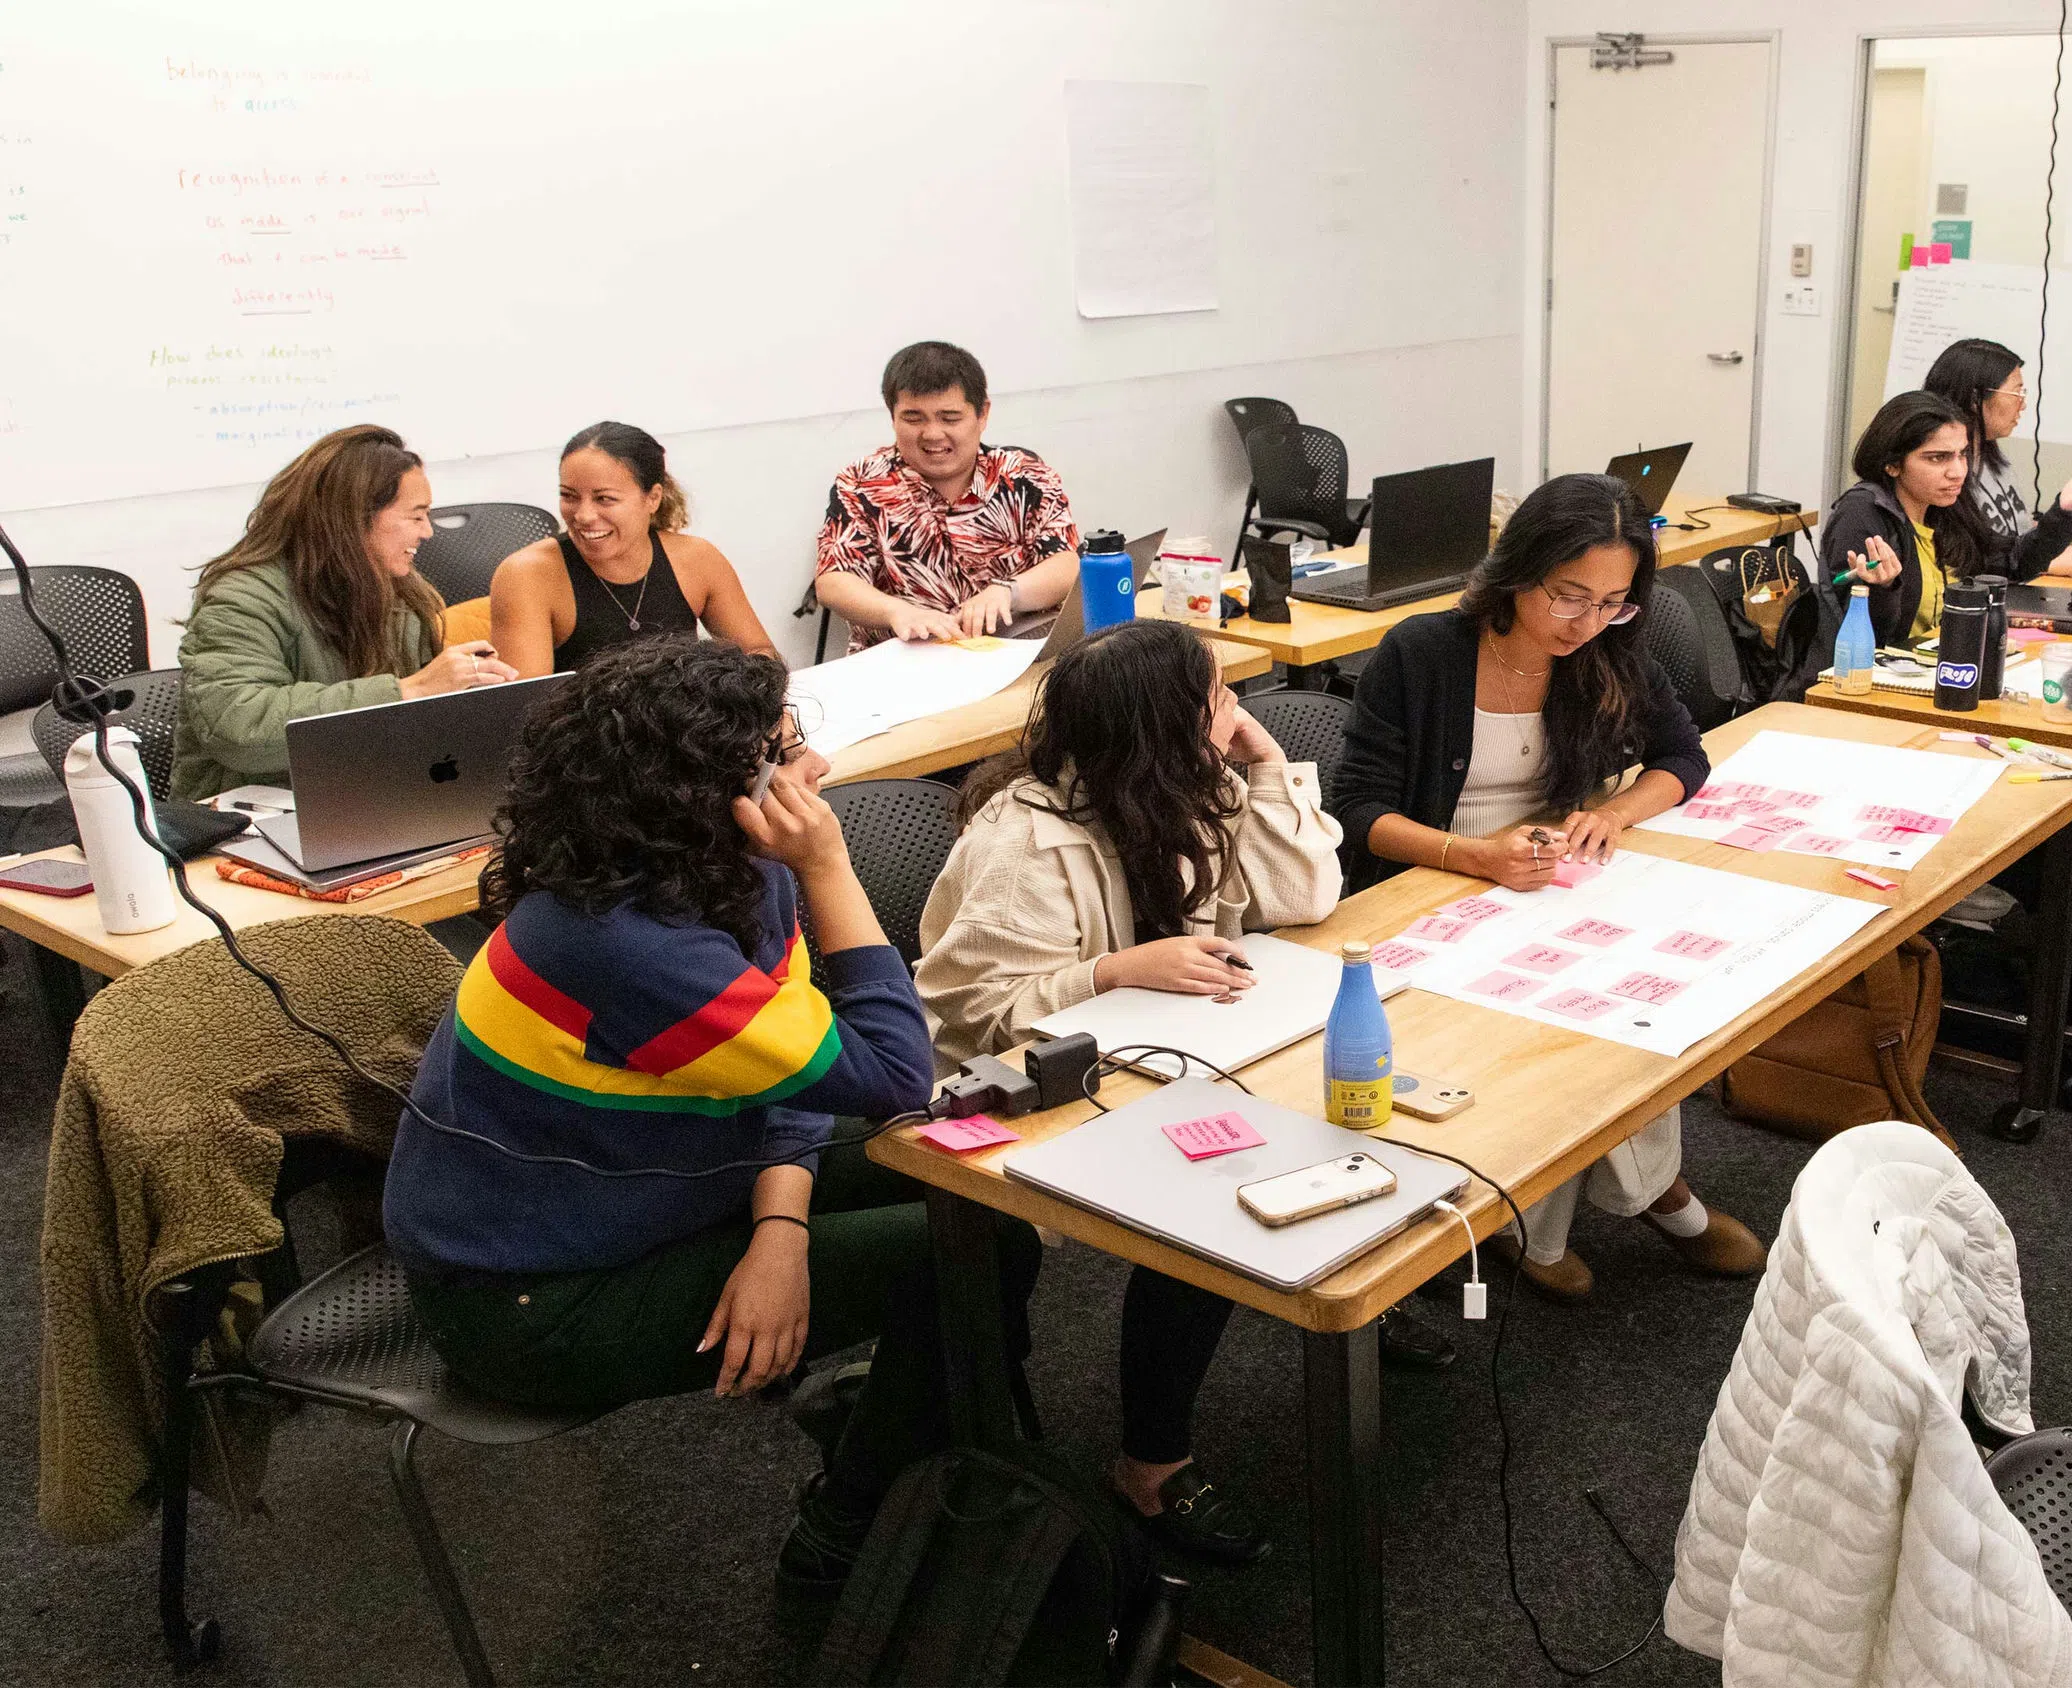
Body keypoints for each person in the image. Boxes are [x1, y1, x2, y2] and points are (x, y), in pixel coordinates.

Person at [380, 638, 942, 1598]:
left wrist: (781, 1232)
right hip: (527, 1295)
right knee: (956, 1256)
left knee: (972, 1196)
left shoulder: (725, 873)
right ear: (709, 791)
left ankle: (920, 1435)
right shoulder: (620, 945)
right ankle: (852, 1523)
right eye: (783, 746)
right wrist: (831, 868)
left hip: (657, 1189)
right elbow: (893, 1071)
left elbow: (790, 1068)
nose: (811, 765)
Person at [913, 618, 1442, 1559]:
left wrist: (1268, 759)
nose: (1234, 714)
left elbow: (1305, 897)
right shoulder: (1024, 842)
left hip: (1175, 1050)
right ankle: (1149, 1468)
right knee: (1217, 1201)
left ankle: (1367, 1297)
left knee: (1349, 1087)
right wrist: (1115, 972)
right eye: (1218, 702)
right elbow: (971, 1013)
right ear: (1161, 728)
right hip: (1035, 1095)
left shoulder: (1186, 790)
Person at [1329, 473, 1765, 1298]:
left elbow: (1685, 757)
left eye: (1613, 601)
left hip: (1547, 879)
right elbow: (1356, 809)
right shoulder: (1423, 652)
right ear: (1519, 570)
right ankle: (1610, 1205)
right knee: (1557, 1019)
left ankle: (1610, 1201)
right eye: (1570, 597)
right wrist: (1474, 857)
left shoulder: (1607, 650)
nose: (1588, 622)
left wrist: (1619, 813)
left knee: (1634, 1001)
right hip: (1430, 884)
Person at [174, 424, 517, 800]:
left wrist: (471, 703)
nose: (427, 533)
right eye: (416, 516)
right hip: (244, 825)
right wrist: (410, 690)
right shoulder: (240, 597)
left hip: (359, 803)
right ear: (354, 518)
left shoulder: (400, 591)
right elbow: (240, 728)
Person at [814, 341, 1079, 650]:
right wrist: (898, 611)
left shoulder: (1025, 476)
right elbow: (833, 582)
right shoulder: (861, 485)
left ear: (982, 415)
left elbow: (1066, 564)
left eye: (950, 418)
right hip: (911, 662)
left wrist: (1008, 592)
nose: (932, 434)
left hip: (1018, 653)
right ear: (892, 417)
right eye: (913, 418)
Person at [486, 421, 779, 676]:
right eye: (569, 496)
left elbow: (759, 653)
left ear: (652, 498)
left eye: (605, 499)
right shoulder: (526, 575)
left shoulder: (698, 559)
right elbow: (523, 707)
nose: (583, 515)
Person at [1918, 337, 2072, 581]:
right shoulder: (1943, 478)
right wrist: (2051, 563)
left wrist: (2063, 518)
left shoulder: (1992, 458)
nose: (2022, 404)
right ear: (1974, 399)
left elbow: (2016, 539)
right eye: (2015, 392)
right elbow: (1957, 563)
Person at [1816, 391, 1981, 652]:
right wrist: (1884, 589)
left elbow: (2006, 562)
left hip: (1935, 662)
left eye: (1962, 454)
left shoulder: (1943, 506)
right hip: (1878, 675)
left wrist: (2065, 510)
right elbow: (1856, 639)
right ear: (1893, 464)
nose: (1958, 472)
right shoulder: (1861, 513)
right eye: (1937, 458)